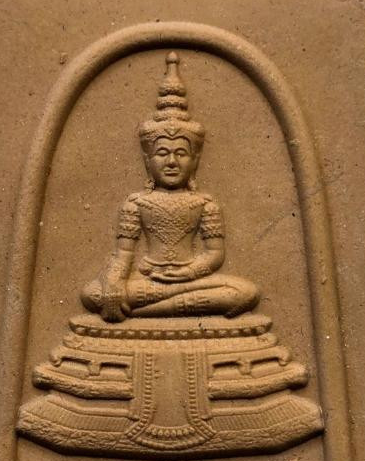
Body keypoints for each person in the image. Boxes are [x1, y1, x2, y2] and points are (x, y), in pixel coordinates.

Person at [82, 52, 260, 323]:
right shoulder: (136, 203)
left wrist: (188, 273)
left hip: (191, 281)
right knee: (93, 294)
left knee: (245, 292)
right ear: (147, 160)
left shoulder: (205, 204)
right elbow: (123, 254)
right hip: (147, 280)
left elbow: (215, 254)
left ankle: (149, 311)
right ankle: (169, 305)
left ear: (195, 160)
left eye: (181, 153)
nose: (172, 162)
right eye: (162, 153)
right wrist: (114, 283)